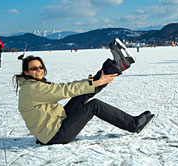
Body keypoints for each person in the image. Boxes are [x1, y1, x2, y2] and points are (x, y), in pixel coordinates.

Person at [13, 41, 154, 145]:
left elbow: (68, 89)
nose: (39, 70)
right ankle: (134, 124)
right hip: (55, 134)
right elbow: (65, 90)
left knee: (81, 95)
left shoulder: (32, 85)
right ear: (26, 72)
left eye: (41, 67)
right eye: (34, 68)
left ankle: (116, 66)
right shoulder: (32, 89)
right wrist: (95, 82)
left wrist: (95, 82)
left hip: (56, 122)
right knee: (94, 105)